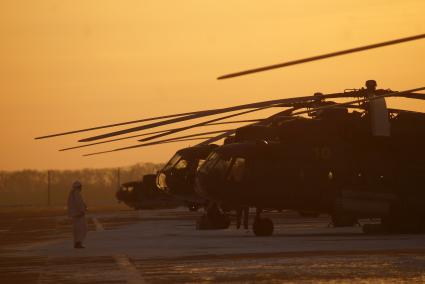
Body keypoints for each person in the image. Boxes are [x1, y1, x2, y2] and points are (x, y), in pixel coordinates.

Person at [67, 180, 87, 249]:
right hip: (79, 214)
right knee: (81, 229)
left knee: (76, 229)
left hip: (75, 214)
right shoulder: (76, 193)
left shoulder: (72, 193)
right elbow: (79, 203)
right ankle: (78, 243)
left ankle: (77, 243)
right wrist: (82, 211)